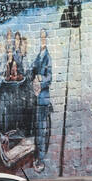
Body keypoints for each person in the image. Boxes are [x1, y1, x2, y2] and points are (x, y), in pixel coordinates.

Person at [31, 29, 53, 170]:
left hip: (43, 98)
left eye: (44, 38)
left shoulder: (47, 57)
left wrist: (40, 81)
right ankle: (36, 156)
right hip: (36, 97)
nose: (42, 41)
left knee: (41, 129)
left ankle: (40, 159)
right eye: (41, 38)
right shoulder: (39, 56)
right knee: (36, 129)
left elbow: (49, 77)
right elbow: (32, 69)